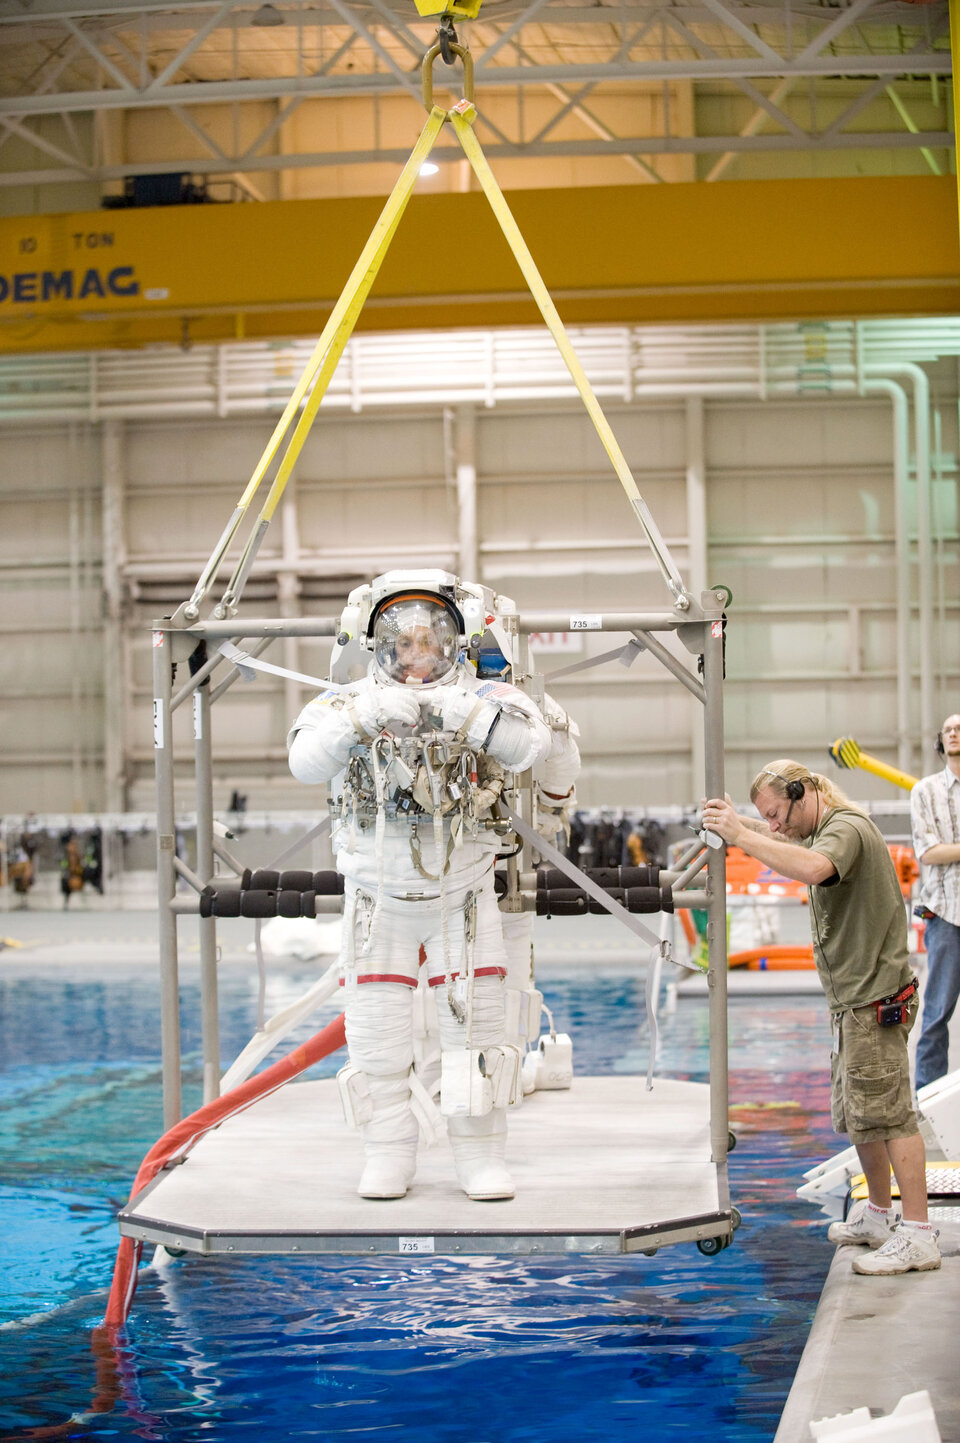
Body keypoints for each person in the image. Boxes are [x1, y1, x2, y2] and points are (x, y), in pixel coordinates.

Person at [288, 570, 551, 1203]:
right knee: (376, 1037)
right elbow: (303, 761)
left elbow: (530, 747)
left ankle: (480, 1156)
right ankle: (387, 1152)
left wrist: (469, 717)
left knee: (478, 1032)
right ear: (379, 643)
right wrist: (360, 719)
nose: (417, 656)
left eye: (430, 642)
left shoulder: (488, 700)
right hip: (377, 898)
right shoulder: (343, 703)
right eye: (404, 643)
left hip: (461, 894)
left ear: (454, 642)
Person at [703, 762, 940, 1276]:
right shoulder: (827, 830)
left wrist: (741, 833)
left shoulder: (846, 829)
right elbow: (799, 852)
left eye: (777, 815)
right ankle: (880, 1215)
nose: (777, 826)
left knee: (892, 1115)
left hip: (874, 999)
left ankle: (919, 1234)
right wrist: (756, 828)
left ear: (802, 790)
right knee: (861, 1115)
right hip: (852, 1003)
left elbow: (812, 869)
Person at [910, 713, 960, 1091]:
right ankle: (927, 1099)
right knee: (937, 1012)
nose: (955, 733)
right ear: (941, 741)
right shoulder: (924, 792)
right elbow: (927, 852)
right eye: (949, 730)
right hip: (945, 914)